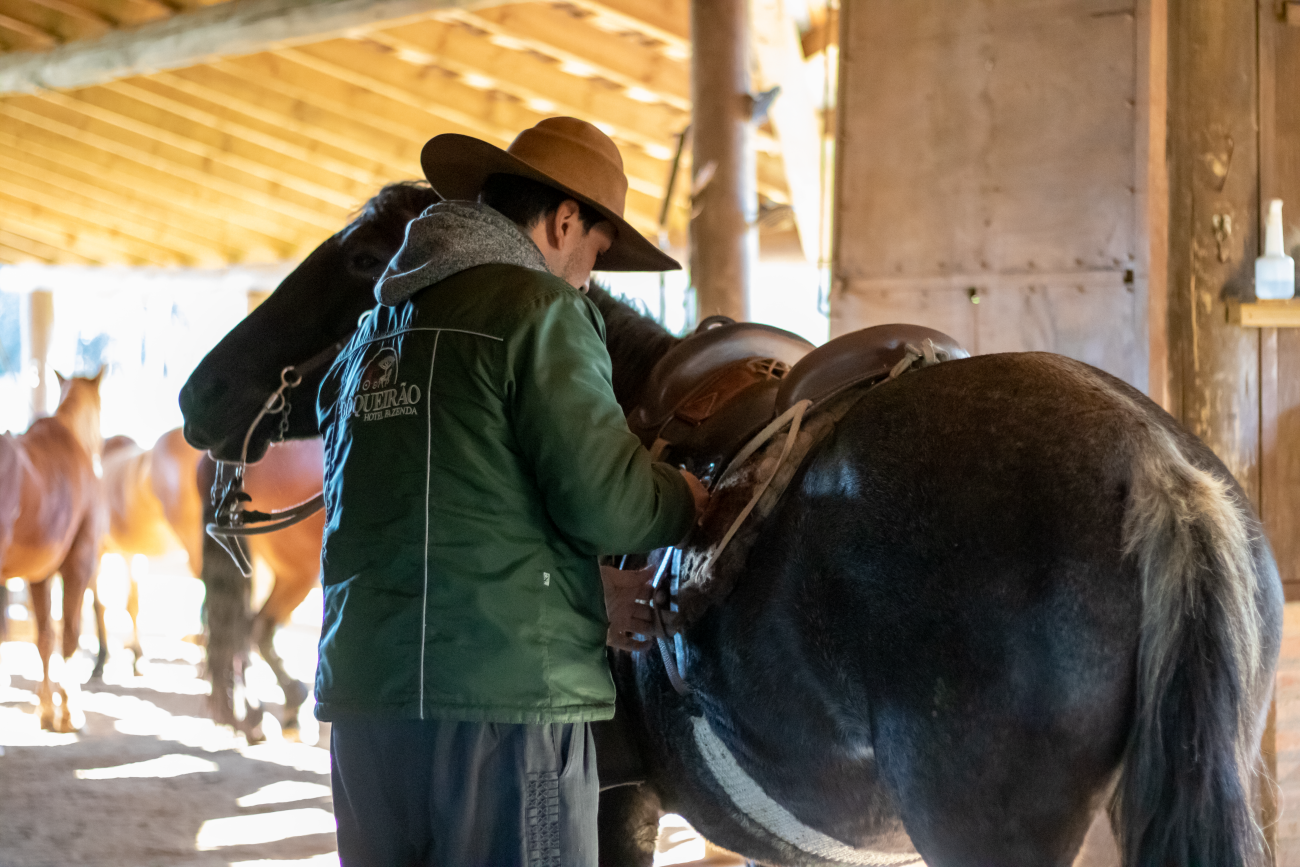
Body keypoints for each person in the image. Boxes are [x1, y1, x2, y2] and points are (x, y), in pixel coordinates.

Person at [315, 116, 708, 867]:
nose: (589, 275)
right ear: (564, 221)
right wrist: (687, 498)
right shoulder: (541, 312)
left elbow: (436, 518)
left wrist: (587, 593)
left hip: (366, 707)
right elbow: (607, 500)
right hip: (507, 710)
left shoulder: (366, 339)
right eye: (594, 251)